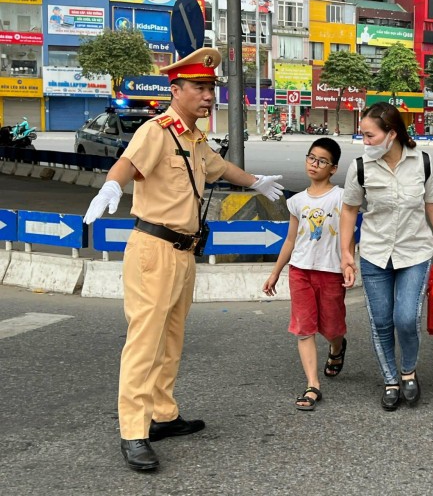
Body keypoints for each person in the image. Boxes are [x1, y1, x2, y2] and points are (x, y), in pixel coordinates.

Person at [82, 47, 285, 472]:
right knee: (145, 342)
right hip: (153, 250)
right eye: (199, 87)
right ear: (176, 90)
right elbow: (126, 163)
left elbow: (220, 168)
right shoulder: (157, 131)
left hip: (184, 252)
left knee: (171, 339)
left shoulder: (193, 137)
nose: (208, 96)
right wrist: (111, 188)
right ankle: (133, 432)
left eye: (211, 87)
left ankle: (163, 415)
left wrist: (257, 182)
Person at [340, 102, 433, 411]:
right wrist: (346, 253)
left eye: (369, 135)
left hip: (414, 252)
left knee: (406, 318)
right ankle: (391, 379)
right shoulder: (360, 168)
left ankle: (409, 371)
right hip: (374, 253)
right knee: (380, 321)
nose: (364, 142)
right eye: (362, 135)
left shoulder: (422, 162)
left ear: (391, 134)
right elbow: (349, 209)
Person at [263, 138, 348, 411]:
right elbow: (290, 240)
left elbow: (348, 234)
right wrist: (276, 272)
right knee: (304, 328)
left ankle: (337, 347)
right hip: (300, 271)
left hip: (331, 271)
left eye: (322, 161)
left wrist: (348, 262)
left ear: (333, 168)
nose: (314, 164)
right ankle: (313, 384)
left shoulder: (342, 197)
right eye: (311, 158)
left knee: (332, 327)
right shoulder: (297, 201)